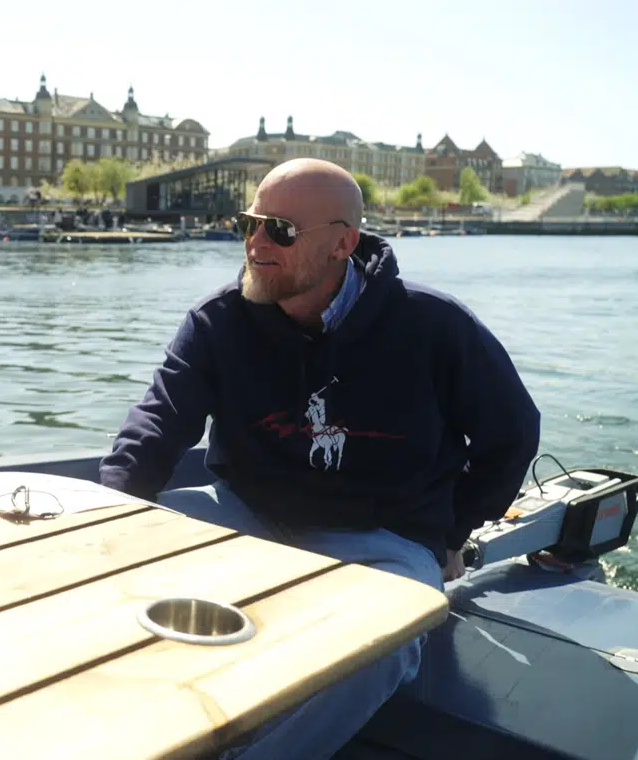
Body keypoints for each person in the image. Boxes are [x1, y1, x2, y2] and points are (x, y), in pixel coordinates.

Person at [99, 158, 540, 759]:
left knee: (390, 635)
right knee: (113, 557)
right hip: (245, 515)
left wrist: (450, 530)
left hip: (380, 537)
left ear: (342, 243)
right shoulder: (218, 321)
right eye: (248, 223)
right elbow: (157, 424)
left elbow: (511, 434)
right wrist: (110, 516)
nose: (255, 243)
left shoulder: (434, 326)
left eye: (278, 230)